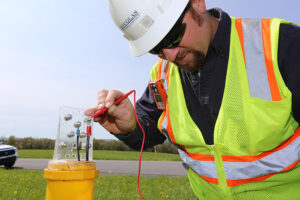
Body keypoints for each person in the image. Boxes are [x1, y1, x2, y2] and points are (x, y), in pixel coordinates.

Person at [85, 0, 300, 199]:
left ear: (197, 3)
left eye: (172, 37)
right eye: (155, 49)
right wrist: (130, 125)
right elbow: (150, 127)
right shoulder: (162, 75)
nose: (169, 55)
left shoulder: (280, 44)